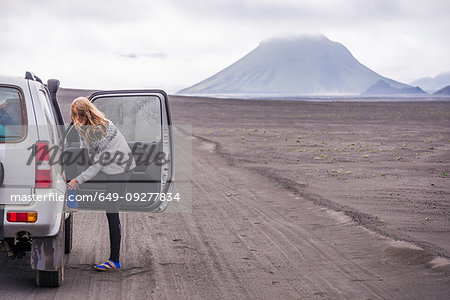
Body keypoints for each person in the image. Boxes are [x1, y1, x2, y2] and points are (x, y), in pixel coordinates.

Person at [67, 97, 136, 271]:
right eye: (74, 115)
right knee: (69, 153)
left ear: (87, 112)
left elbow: (98, 162)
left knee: (111, 211)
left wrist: (77, 180)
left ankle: (114, 260)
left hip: (120, 171)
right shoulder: (92, 127)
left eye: (80, 114)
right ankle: (71, 193)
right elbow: (89, 150)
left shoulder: (102, 130)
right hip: (111, 166)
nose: (77, 119)